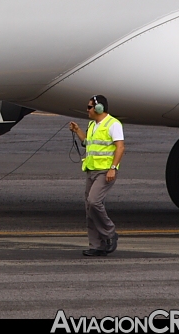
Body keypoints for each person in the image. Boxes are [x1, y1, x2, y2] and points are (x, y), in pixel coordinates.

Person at [69, 94, 125, 257]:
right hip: (91, 169)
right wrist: (78, 130)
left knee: (94, 202)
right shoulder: (93, 124)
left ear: (99, 108)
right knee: (89, 207)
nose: (87, 110)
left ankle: (110, 233)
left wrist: (113, 168)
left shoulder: (113, 124)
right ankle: (96, 245)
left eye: (89, 107)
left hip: (105, 171)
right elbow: (88, 143)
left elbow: (120, 147)